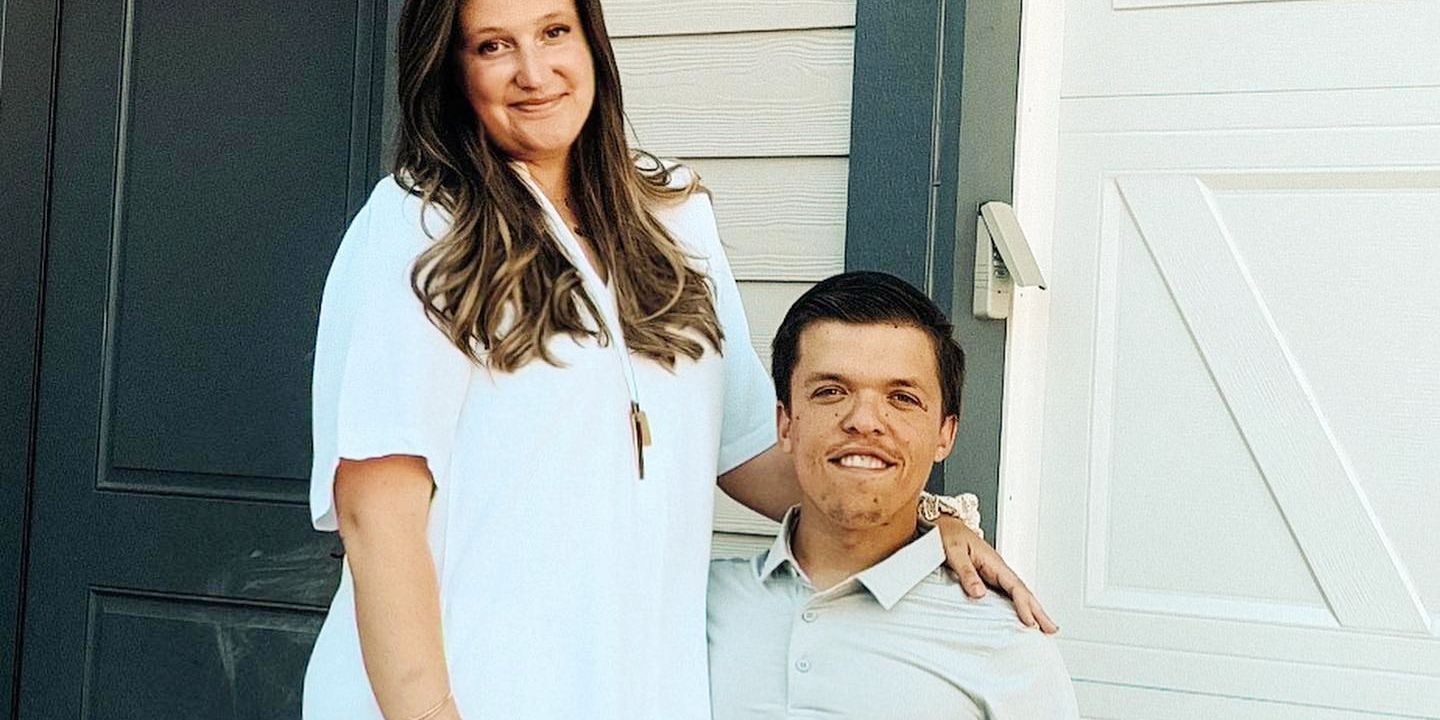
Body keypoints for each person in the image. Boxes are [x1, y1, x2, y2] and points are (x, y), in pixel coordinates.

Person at [302, 1, 1052, 718]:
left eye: (554, 31)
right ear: (450, 68)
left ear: (591, 40)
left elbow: (753, 453)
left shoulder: (672, 217)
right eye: (493, 45)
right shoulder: (419, 227)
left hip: (637, 693)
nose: (535, 71)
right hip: (465, 690)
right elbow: (378, 515)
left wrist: (926, 520)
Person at [707, 272, 1079, 719]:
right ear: (785, 423)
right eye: (830, 391)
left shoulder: (1005, 644)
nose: (864, 420)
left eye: (901, 397)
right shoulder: (699, 605)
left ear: (945, 435)